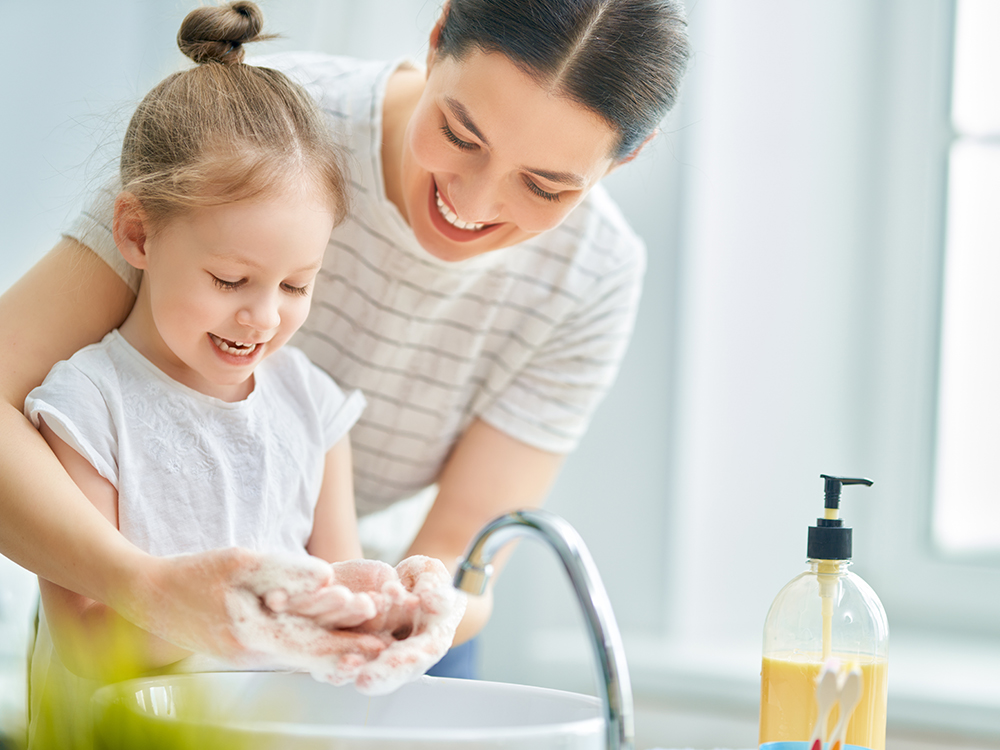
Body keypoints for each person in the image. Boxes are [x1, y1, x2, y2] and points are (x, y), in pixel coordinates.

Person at [0, 0, 690, 686]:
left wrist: (403, 607)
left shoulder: (592, 278)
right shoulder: (256, 129)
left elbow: (455, 553)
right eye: (459, 134)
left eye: (544, 186)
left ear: (626, 158)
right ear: (439, 35)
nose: (474, 206)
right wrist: (150, 589)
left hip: (297, 652)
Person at [20, 4, 465, 748]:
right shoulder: (86, 404)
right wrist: (256, 623)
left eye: (296, 286)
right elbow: (89, 644)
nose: (264, 318)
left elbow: (338, 583)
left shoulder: (312, 408)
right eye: (231, 279)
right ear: (136, 233)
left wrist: (387, 610)